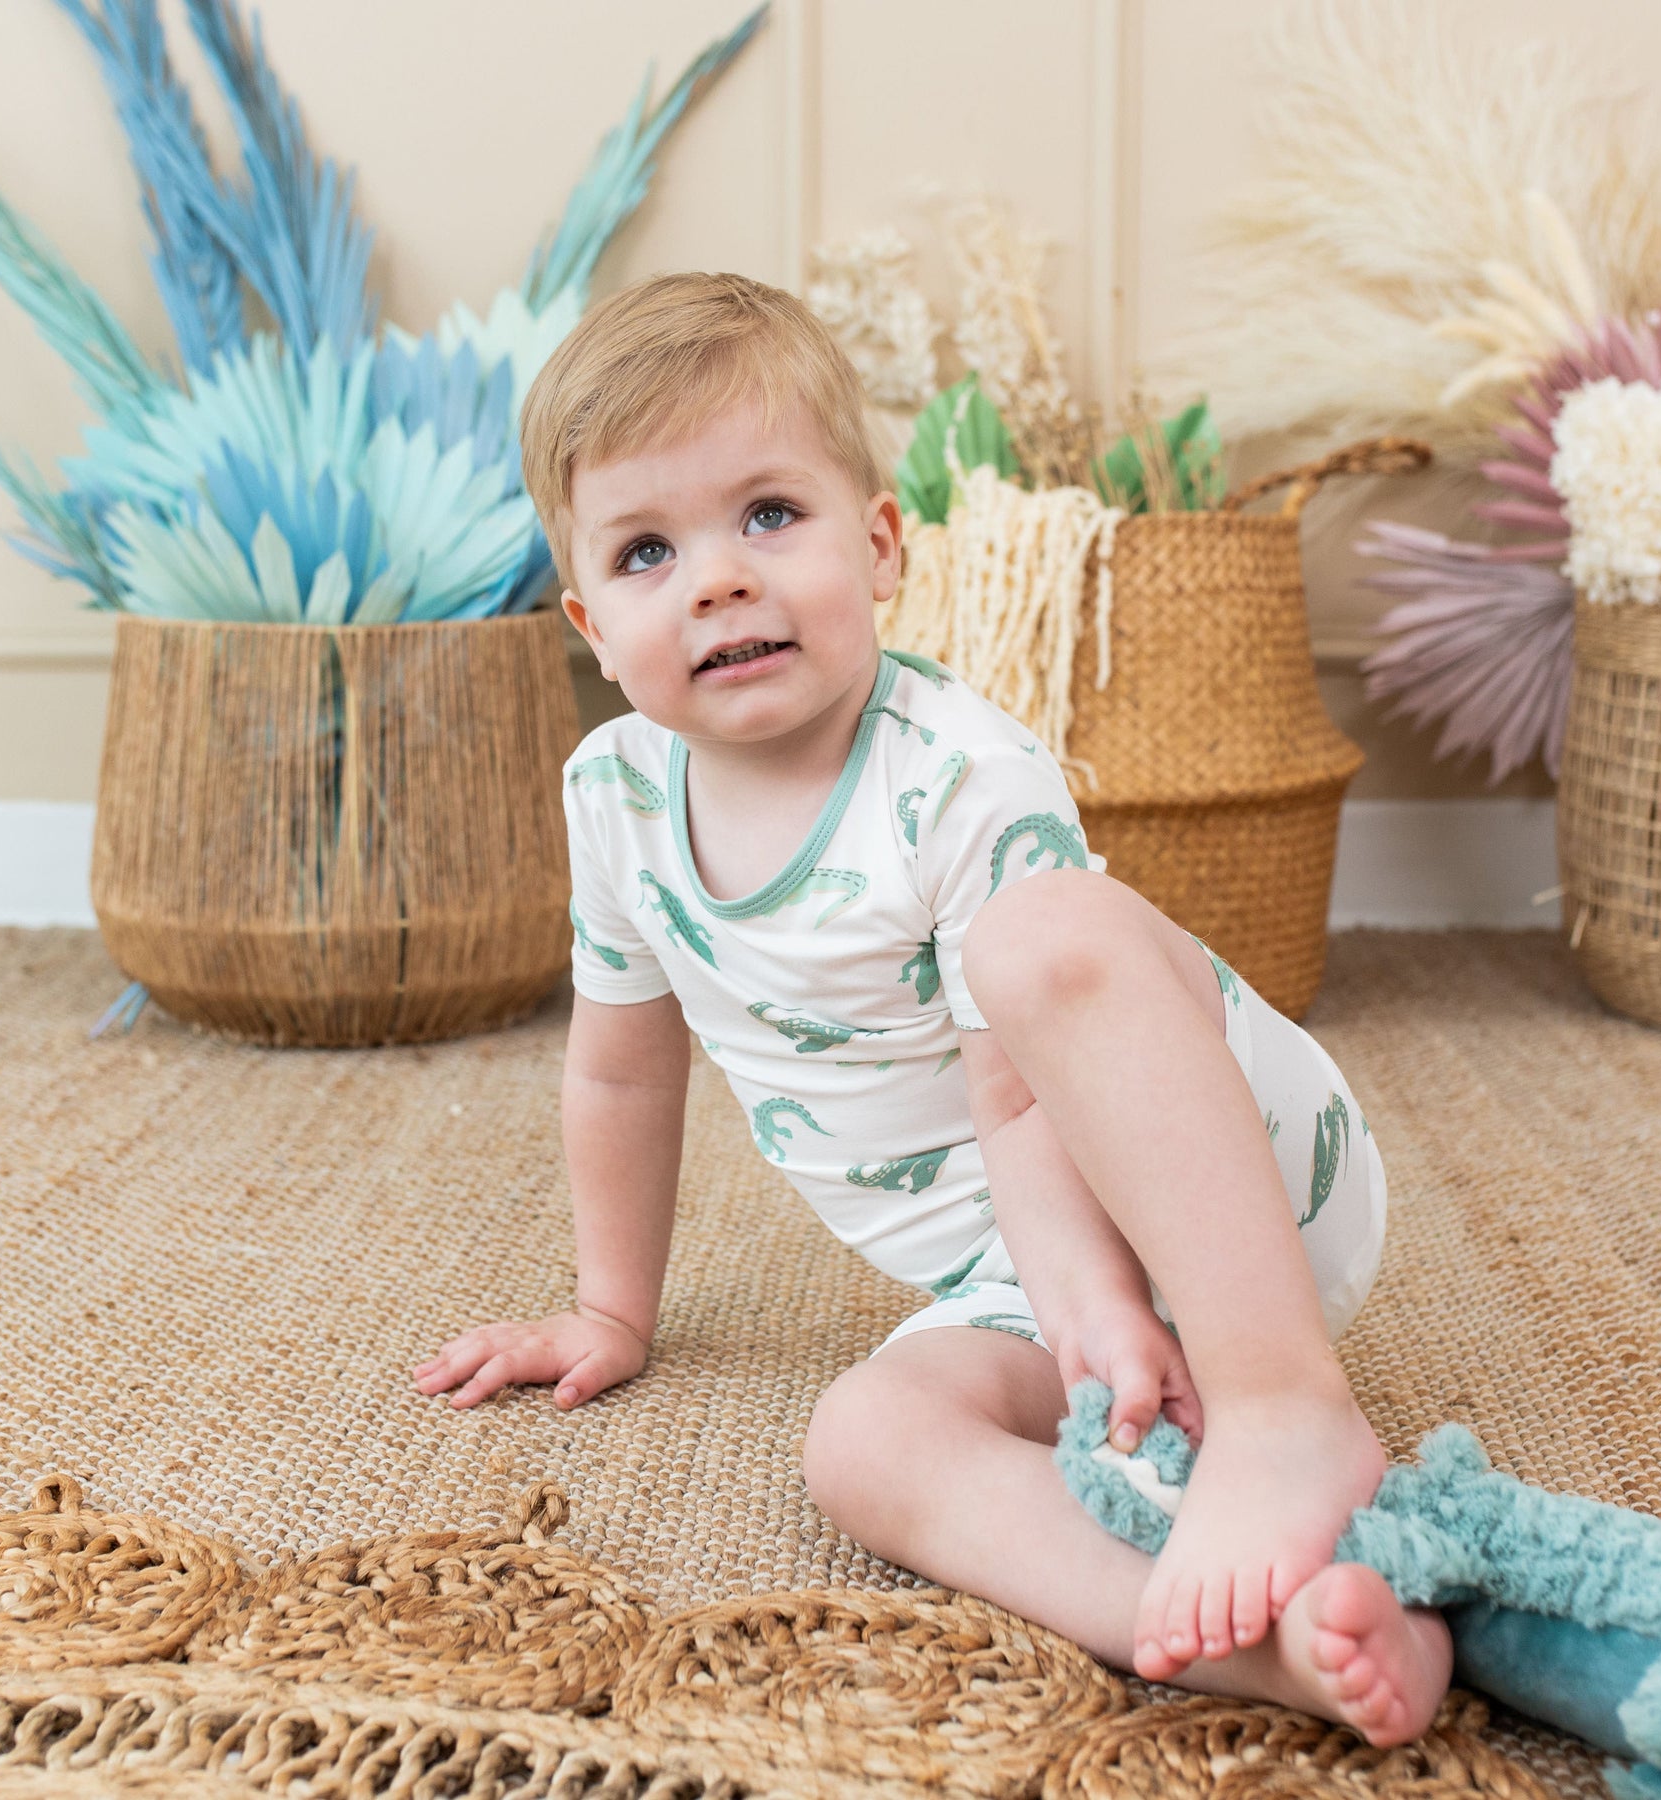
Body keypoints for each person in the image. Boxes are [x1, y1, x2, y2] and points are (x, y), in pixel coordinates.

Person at [414, 271, 1452, 1741]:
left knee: (1044, 941)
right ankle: (1278, 1644)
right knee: (864, 1442)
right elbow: (623, 1077)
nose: (718, 576)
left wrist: (1103, 1294)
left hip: (1222, 1173)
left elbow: (1019, 1088)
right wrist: (610, 1305)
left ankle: (1284, 1405)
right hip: (1015, 1276)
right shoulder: (617, 801)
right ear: (590, 621)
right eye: (650, 549)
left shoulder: (959, 770)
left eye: (770, 515)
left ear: (882, 545)